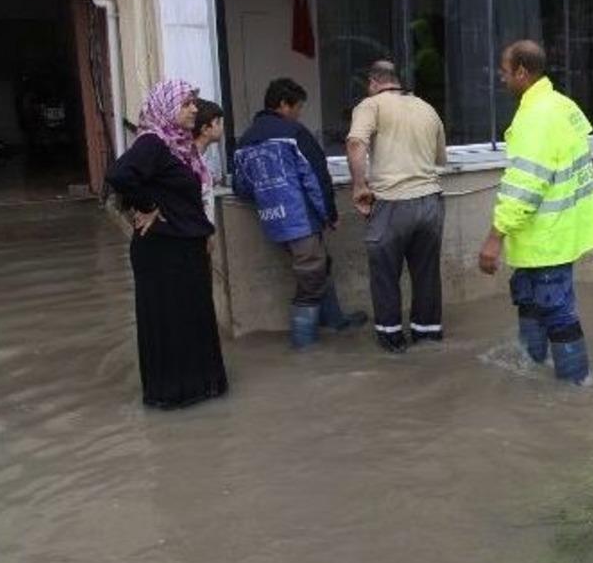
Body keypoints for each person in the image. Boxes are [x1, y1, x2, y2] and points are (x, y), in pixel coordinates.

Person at [477, 40, 593, 384]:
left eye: (505, 72)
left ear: (522, 72)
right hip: (553, 231)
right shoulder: (562, 105)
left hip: (547, 236)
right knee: (530, 300)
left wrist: (494, 237)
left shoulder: (536, 117)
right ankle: (533, 369)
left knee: (556, 311)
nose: (501, 78)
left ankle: (575, 389)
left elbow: (525, 184)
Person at [105, 80, 228, 409]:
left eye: (194, 103)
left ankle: (202, 387)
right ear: (167, 107)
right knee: (170, 320)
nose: (194, 109)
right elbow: (119, 175)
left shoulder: (180, 146)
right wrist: (147, 206)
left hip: (185, 247)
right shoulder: (153, 142)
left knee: (193, 318)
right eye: (186, 103)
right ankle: (174, 393)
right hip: (163, 251)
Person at [233, 78, 366, 348]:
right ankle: (304, 345)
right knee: (312, 274)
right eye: (298, 107)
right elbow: (317, 177)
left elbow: (242, 186)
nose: (299, 114)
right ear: (284, 104)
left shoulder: (245, 140)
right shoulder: (294, 133)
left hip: (272, 219)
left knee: (319, 264)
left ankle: (335, 321)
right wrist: (329, 213)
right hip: (301, 217)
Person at [346, 60, 448, 353]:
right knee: (427, 274)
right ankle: (427, 337)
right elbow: (440, 159)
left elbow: (355, 144)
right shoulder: (427, 108)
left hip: (391, 203)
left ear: (373, 82)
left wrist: (359, 186)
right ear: (396, 80)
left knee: (385, 273)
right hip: (430, 202)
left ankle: (392, 340)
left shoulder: (371, 105)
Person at [192, 98, 224, 226]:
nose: (221, 127)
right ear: (205, 129)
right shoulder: (190, 162)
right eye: (217, 122)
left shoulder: (201, 159)